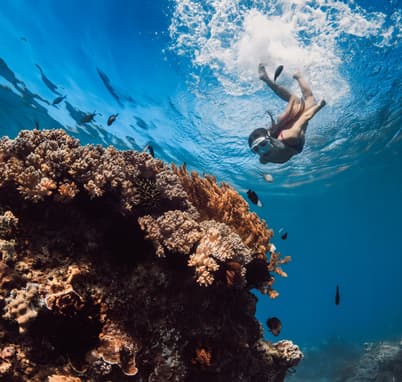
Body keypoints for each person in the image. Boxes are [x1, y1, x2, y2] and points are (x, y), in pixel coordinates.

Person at [248, 64, 326, 164]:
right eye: (255, 149)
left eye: (263, 144)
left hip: (289, 140)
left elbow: (305, 117)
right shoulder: (264, 158)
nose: (262, 151)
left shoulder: (290, 135)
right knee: (294, 101)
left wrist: (320, 105)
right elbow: (263, 160)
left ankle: (298, 76)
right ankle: (266, 78)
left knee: (310, 100)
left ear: (269, 140)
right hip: (282, 139)